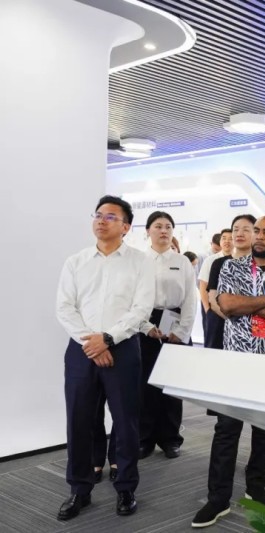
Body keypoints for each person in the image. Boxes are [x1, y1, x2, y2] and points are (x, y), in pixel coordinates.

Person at [191, 216, 265, 529]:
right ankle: (218, 498)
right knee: (227, 430)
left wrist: (246, 303)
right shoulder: (231, 267)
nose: (259, 236)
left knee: (264, 431)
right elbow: (227, 305)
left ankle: (256, 487)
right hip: (235, 363)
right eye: (257, 231)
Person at [55, 195, 155, 520]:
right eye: (98, 215)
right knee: (79, 420)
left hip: (123, 348)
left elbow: (141, 308)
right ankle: (79, 489)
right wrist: (92, 342)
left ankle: (125, 487)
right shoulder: (76, 261)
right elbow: (65, 308)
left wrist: (108, 339)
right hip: (82, 349)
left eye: (110, 216)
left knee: (125, 421)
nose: (101, 220)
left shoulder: (140, 262)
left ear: (126, 227)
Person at [136, 211, 197, 459]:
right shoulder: (139, 260)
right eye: (158, 226)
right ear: (147, 231)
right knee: (146, 385)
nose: (163, 230)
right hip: (145, 323)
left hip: (175, 321)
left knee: (171, 385)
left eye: (168, 226)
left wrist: (181, 331)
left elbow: (190, 299)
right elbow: (131, 298)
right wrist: (144, 326)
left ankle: (171, 439)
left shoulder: (182, 261)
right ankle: (144, 438)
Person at [205, 215, 256, 350]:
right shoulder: (219, 263)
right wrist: (237, 323)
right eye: (236, 229)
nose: (239, 234)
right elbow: (213, 299)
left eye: (246, 230)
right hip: (221, 324)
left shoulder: (261, 264)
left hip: (254, 329)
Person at [198, 229, 232, 333]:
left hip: (231, 308)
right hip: (212, 308)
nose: (227, 241)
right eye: (224, 238)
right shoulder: (210, 260)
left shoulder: (239, 260)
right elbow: (203, 286)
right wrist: (207, 310)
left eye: (230, 239)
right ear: (220, 241)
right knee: (212, 338)